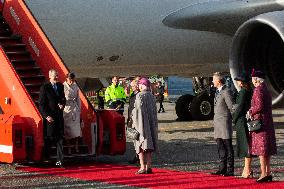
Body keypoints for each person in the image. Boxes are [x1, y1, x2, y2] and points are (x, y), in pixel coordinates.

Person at [247, 69, 277, 183]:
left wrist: (250, 111)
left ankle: (263, 173)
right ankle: (268, 172)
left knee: (261, 150)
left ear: (256, 80)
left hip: (261, 124)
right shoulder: (266, 89)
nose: (252, 81)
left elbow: (258, 106)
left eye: (252, 79)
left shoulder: (258, 90)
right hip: (267, 122)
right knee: (267, 150)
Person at [39, 69, 66, 167]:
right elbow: (41, 104)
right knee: (49, 139)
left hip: (59, 117)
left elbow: (63, 98)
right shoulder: (45, 88)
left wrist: (62, 104)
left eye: (57, 75)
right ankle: (46, 158)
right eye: (55, 75)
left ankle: (60, 161)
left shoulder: (60, 86)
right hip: (50, 118)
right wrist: (46, 116)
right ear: (50, 76)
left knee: (60, 140)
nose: (57, 77)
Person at [132, 77, 158, 174]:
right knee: (149, 145)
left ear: (143, 85)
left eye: (139, 84)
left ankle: (142, 167)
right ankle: (149, 166)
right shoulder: (152, 96)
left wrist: (133, 122)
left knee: (140, 146)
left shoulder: (139, 96)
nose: (138, 86)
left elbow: (137, 111)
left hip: (141, 125)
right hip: (150, 124)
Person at [211, 72, 234, 176]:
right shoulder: (218, 91)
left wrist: (232, 120)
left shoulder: (226, 91)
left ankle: (230, 169)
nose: (212, 81)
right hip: (218, 124)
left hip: (224, 123)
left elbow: (231, 107)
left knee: (228, 147)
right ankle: (222, 168)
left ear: (219, 81)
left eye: (214, 80)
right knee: (220, 147)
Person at [232, 73, 253, 178]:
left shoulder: (243, 92)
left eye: (239, 80)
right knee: (247, 144)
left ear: (242, 82)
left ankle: (247, 169)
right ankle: (246, 168)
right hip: (246, 120)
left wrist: (233, 118)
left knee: (246, 145)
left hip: (242, 121)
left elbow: (238, 107)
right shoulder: (249, 91)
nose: (237, 82)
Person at [63, 72, 82, 154]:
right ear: (67, 79)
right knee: (68, 129)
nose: (72, 82)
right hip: (66, 108)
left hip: (74, 108)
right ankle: (69, 146)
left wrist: (79, 109)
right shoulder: (63, 86)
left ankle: (76, 145)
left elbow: (78, 98)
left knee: (77, 129)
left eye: (73, 80)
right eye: (70, 80)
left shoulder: (75, 86)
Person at [127, 77, 140, 164]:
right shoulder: (133, 94)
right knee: (134, 139)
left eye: (133, 86)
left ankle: (139, 157)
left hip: (137, 119)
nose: (132, 88)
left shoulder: (139, 95)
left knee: (138, 138)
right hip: (131, 118)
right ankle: (137, 156)